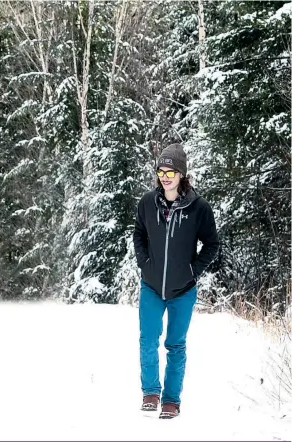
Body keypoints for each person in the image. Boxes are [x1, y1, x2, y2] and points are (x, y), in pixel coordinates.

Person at [132, 143, 220, 419]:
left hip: (183, 289)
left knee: (176, 344)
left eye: (171, 171)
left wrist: (193, 272)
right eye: (161, 170)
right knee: (148, 339)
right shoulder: (148, 203)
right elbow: (139, 234)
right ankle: (150, 393)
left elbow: (212, 245)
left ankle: (171, 400)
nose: (165, 176)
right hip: (151, 286)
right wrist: (145, 264)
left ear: (182, 174)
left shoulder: (198, 208)